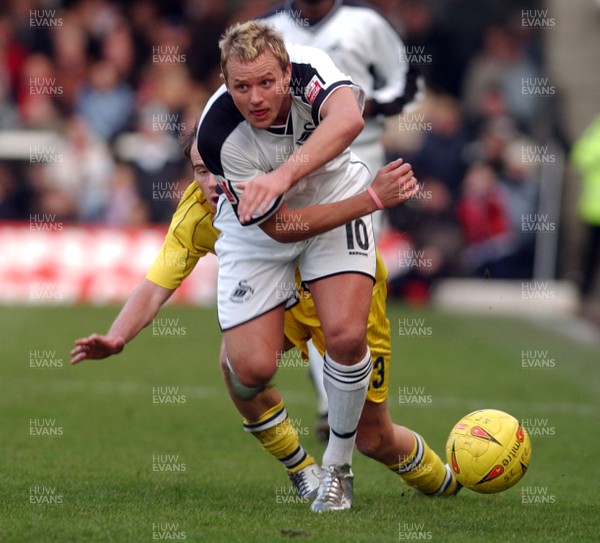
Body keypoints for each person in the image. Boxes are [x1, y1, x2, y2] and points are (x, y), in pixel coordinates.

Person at [71, 132, 459, 512]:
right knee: (236, 366)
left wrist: (371, 198)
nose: (210, 182)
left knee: (373, 438)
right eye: (200, 171)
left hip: (345, 296)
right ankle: (302, 469)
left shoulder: (285, 179)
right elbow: (155, 287)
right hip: (282, 301)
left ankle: (445, 482)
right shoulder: (196, 213)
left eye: (216, 169)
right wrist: (117, 337)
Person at [261, 0, 421, 438]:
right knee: (307, 295)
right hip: (290, 175)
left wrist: (355, 109)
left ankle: (344, 404)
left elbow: (407, 81)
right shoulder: (266, 27)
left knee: (345, 292)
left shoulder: (365, 24)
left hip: (359, 167)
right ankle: (331, 401)